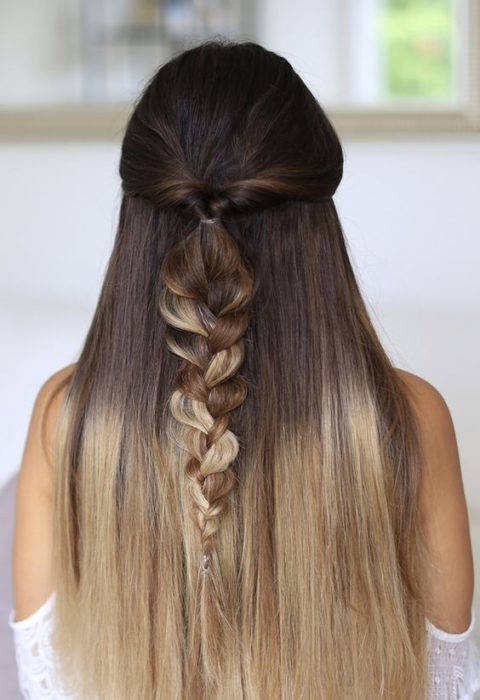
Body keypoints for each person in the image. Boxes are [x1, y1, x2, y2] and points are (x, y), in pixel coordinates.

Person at [8, 39, 480, 699]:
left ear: (137, 214)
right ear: (317, 220)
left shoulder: (69, 419)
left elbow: (48, 687)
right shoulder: (406, 420)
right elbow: (447, 686)